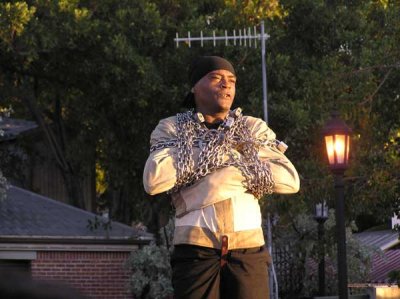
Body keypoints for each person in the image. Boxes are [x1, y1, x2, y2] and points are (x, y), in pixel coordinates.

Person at [143, 56, 299, 299]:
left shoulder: (253, 127)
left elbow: (288, 179)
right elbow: (154, 180)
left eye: (232, 80)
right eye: (216, 78)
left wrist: (198, 186)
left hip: (248, 250)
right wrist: (238, 156)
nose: (226, 85)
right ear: (195, 86)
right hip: (195, 251)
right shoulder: (171, 128)